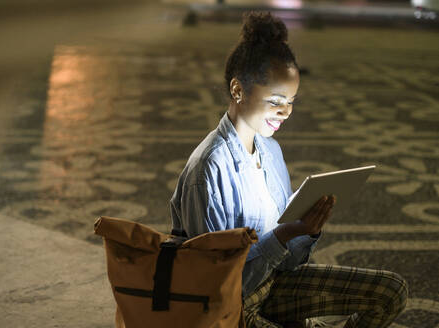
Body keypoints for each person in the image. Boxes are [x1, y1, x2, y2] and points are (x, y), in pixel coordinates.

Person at [169, 11, 408, 328]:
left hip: (274, 285)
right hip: (226, 311)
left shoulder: (269, 151)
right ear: (238, 91)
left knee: (392, 291)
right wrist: (283, 235)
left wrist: (305, 230)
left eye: (291, 100)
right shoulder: (210, 170)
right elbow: (217, 290)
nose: (285, 112)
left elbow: (290, 261)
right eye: (276, 99)